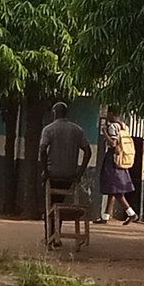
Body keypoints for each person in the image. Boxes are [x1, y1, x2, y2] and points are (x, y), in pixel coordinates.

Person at [39, 102, 92, 247]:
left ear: (54, 113)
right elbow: (88, 151)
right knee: (59, 202)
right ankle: (56, 234)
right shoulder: (77, 130)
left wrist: (46, 171)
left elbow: (43, 150)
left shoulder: (49, 129)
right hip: (69, 175)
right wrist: (79, 172)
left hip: (53, 174)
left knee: (50, 204)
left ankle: (50, 236)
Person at [95, 108, 138, 225]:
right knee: (113, 189)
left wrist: (105, 133)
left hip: (113, 159)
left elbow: (113, 143)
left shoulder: (113, 127)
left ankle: (131, 213)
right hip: (122, 159)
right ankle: (105, 216)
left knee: (115, 189)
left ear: (111, 114)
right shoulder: (124, 126)